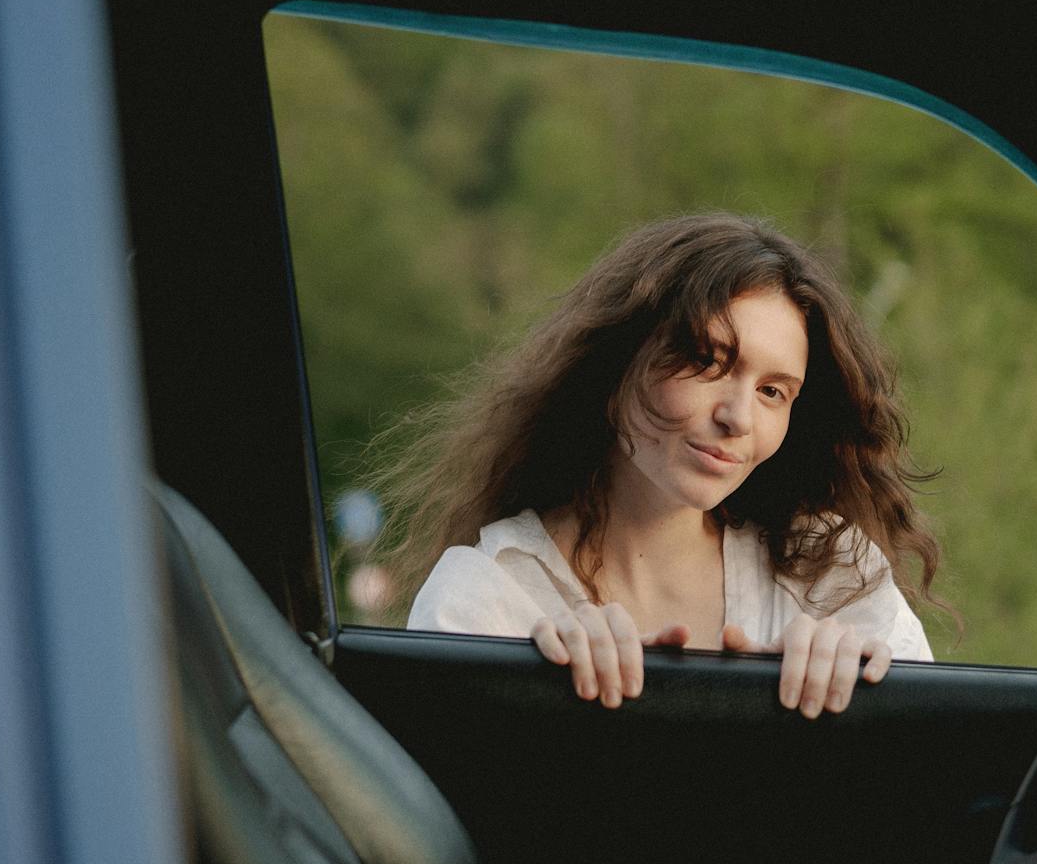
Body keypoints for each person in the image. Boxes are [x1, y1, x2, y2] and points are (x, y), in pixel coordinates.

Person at [366, 213, 941, 716]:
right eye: (706, 361)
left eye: (773, 391)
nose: (738, 417)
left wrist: (855, 705)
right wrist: (547, 698)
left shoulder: (831, 574)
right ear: (616, 367)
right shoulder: (487, 595)